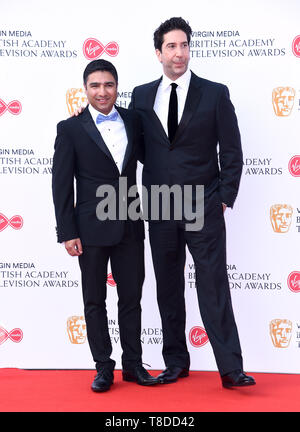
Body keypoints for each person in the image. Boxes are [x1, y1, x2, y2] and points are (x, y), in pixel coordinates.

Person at [129, 17, 256, 388]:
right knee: (167, 286)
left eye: (184, 44)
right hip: (160, 206)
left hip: (204, 205)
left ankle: (231, 369)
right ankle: (175, 362)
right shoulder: (140, 95)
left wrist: (223, 200)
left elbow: (232, 151)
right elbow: (132, 146)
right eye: (171, 46)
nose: (179, 52)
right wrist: (86, 123)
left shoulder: (215, 93)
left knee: (213, 284)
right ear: (158, 53)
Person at [52, 59, 158, 392]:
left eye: (108, 84)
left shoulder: (133, 119)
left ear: (117, 87)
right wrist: (67, 231)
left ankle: (134, 366)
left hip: (129, 223)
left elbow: (153, 157)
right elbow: (61, 184)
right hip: (90, 228)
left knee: (132, 299)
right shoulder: (69, 129)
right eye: (95, 85)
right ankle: (103, 368)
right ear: (85, 90)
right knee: (94, 300)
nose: (102, 91)